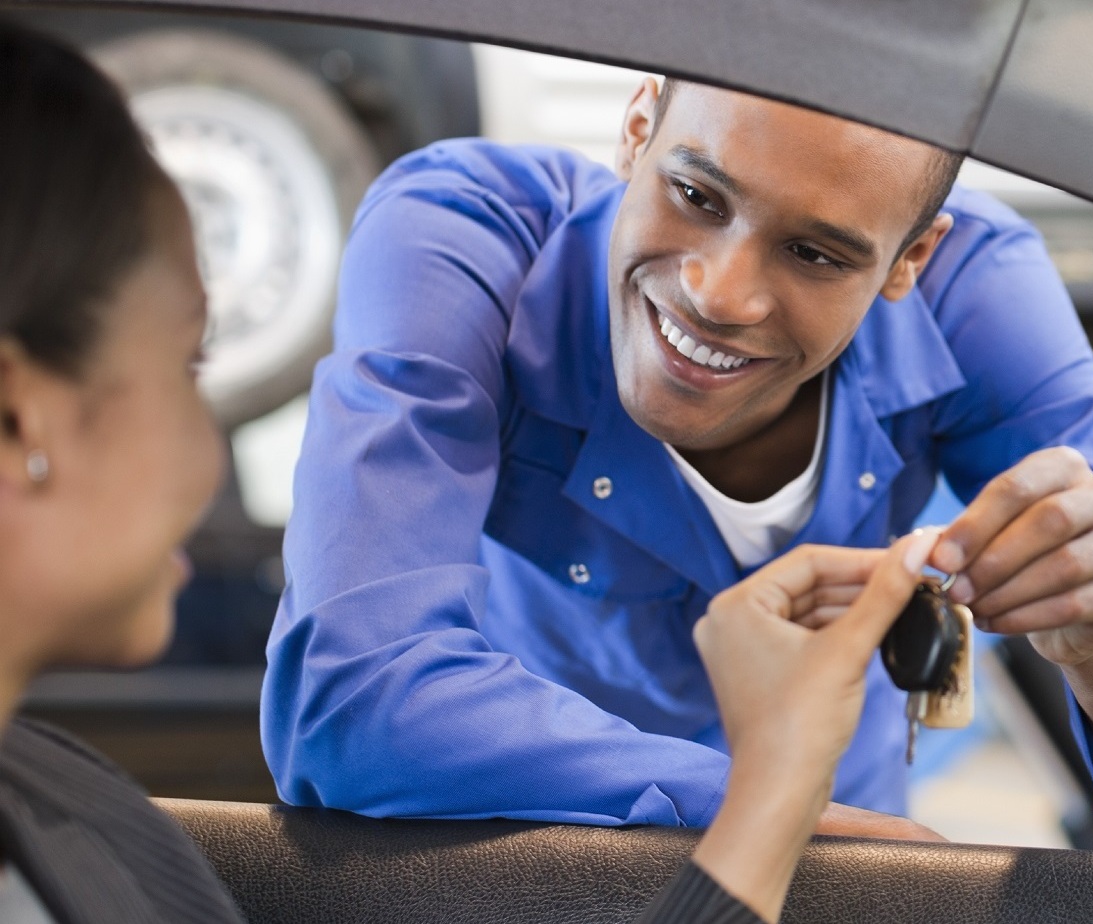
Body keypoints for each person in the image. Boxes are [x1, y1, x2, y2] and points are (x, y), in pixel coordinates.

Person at [0, 22, 906, 922]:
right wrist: (764, 800)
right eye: (187, 367)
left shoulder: (74, 813)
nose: (212, 459)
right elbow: (353, 696)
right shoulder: (81, 832)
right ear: (17, 416)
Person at [263, 74, 1093, 837]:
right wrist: (766, 803)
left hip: (835, 863)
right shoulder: (469, 234)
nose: (720, 294)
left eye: (814, 254)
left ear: (910, 260)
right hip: (539, 856)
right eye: (696, 195)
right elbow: (349, 694)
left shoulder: (974, 286)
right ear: (636, 126)